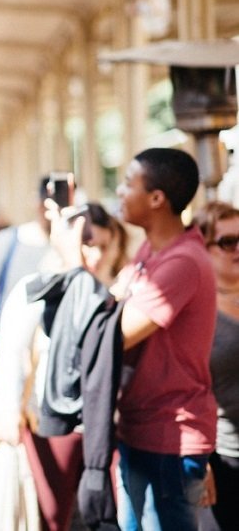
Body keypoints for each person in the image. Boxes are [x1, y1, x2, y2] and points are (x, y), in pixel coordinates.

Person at [0, 202, 128, 531]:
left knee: (108, 516)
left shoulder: (118, 291)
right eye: (87, 244)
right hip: (50, 423)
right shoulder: (38, 286)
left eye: (103, 247)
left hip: (109, 424)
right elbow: (10, 351)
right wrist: (9, 411)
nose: (94, 256)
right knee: (53, 517)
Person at [112, 148, 216, 531]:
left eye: (128, 183)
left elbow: (116, 333)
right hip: (140, 426)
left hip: (170, 436)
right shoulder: (150, 250)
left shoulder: (182, 262)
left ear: (157, 199)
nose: (120, 192)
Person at [0, 177, 64, 378]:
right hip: (13, 355)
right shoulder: (7, 242)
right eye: (48, 201)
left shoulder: (78, 246)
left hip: (58, 357)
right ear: (37, 201)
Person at [193, 201, 239, 530]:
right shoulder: (197, 309)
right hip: (226, 458)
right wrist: (200, 459)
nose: (238, 249)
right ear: (204, 247)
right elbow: (186, 387)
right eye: (227, 242)